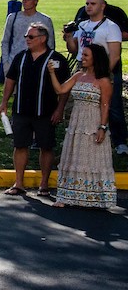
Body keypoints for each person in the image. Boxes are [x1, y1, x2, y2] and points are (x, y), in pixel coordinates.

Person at [0, 22, 69, 196]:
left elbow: (64, 88)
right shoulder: (20, 57)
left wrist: (60, 109)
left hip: (46, 111)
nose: (27, 40)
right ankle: (19, 183)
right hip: (21, 109)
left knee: (46, 147)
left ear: (43, 38)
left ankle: (44, 184)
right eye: (26, 37)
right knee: (20, 145)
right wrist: (4, 102)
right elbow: (10, 80)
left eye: (30, 37)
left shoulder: (57, 59)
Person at [48, 44, 116, 209]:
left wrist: (102, 127)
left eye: (86, 55)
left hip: (93, 122)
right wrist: (51, 73)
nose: (82, 58)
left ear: (95, 59)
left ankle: (94, 197)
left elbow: (105, 105)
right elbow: (60, 89)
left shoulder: (104, 81)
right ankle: (67, 195)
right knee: (74, 157)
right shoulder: (78, 75)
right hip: (77, 123)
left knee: (92, 159)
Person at [68, 0, 128, 153]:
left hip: (106, 70)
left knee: (112, 104)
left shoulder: (112, 21)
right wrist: (68, 38)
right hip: (83, 69)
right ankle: (80, 138)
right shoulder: (82, 22)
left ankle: (119, 140)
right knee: (80, 105)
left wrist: (103, 75)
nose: (87, 1)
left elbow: (115, 55)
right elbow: (74, 50)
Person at [0, 0, 55, 75]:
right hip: (14, 63)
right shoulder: (13, 17)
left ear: (35, 2)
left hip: (36, 64)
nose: (24, 2)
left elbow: (50, 44)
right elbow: (5, 41)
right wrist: (5, 64)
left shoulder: (45, 20)